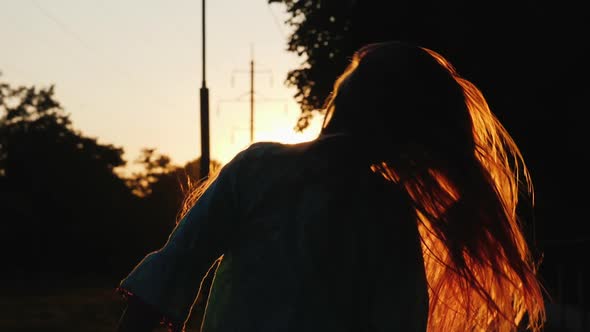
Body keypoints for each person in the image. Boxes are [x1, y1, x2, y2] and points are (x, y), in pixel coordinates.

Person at [115, 41, 545, 332]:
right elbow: (397, 318)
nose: (346, 77)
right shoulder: (388, 209)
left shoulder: (260, 167)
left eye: (357, 73)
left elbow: (175, 267)